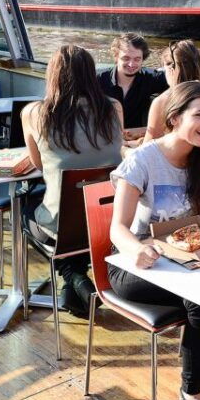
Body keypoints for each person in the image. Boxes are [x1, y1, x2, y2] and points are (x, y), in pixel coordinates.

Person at [109, 81, 200, 400]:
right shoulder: (143, 161)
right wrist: (137, 250)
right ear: (174, 118)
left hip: (188, 260)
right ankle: (190, 393)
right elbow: (117, 229)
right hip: (137, 266)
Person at [22, 45, 124, 317]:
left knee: (26, 205)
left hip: (63, 224)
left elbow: (38, 164)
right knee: (78, 209)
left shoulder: (34, 113)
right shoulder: (114, 108)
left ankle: (74, 276)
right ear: (91, 74)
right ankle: (74, 283)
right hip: (107, 220)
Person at [97, 32, 168, 131]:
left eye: (137, 59)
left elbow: (181, 79)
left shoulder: (151, 78)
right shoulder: (97, 80)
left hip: (135, 140)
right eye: (126, 58)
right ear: (116, 57)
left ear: (143, 59)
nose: (131, 64)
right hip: (103, 138)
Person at [143, 40, 200, 142]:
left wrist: (124, 148)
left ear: (171, 69)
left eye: (164, 67)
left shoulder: (163, 101)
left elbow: (147, 150)